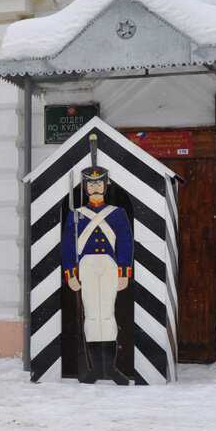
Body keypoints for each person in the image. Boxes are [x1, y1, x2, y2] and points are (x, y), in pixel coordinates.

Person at [62, 164, 134, 385]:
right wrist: (70, 274)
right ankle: (95, 369)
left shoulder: (117, 214)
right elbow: (67, 246)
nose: (95, 187)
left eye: (98, 183)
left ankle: (110, 368)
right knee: (92, 316)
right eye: (91, 183)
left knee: (108, 316)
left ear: (105, 185)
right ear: (85, 187)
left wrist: (124, 272)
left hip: (110, 266)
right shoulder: (76, 215)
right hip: (87, 267)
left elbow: (125, 243)